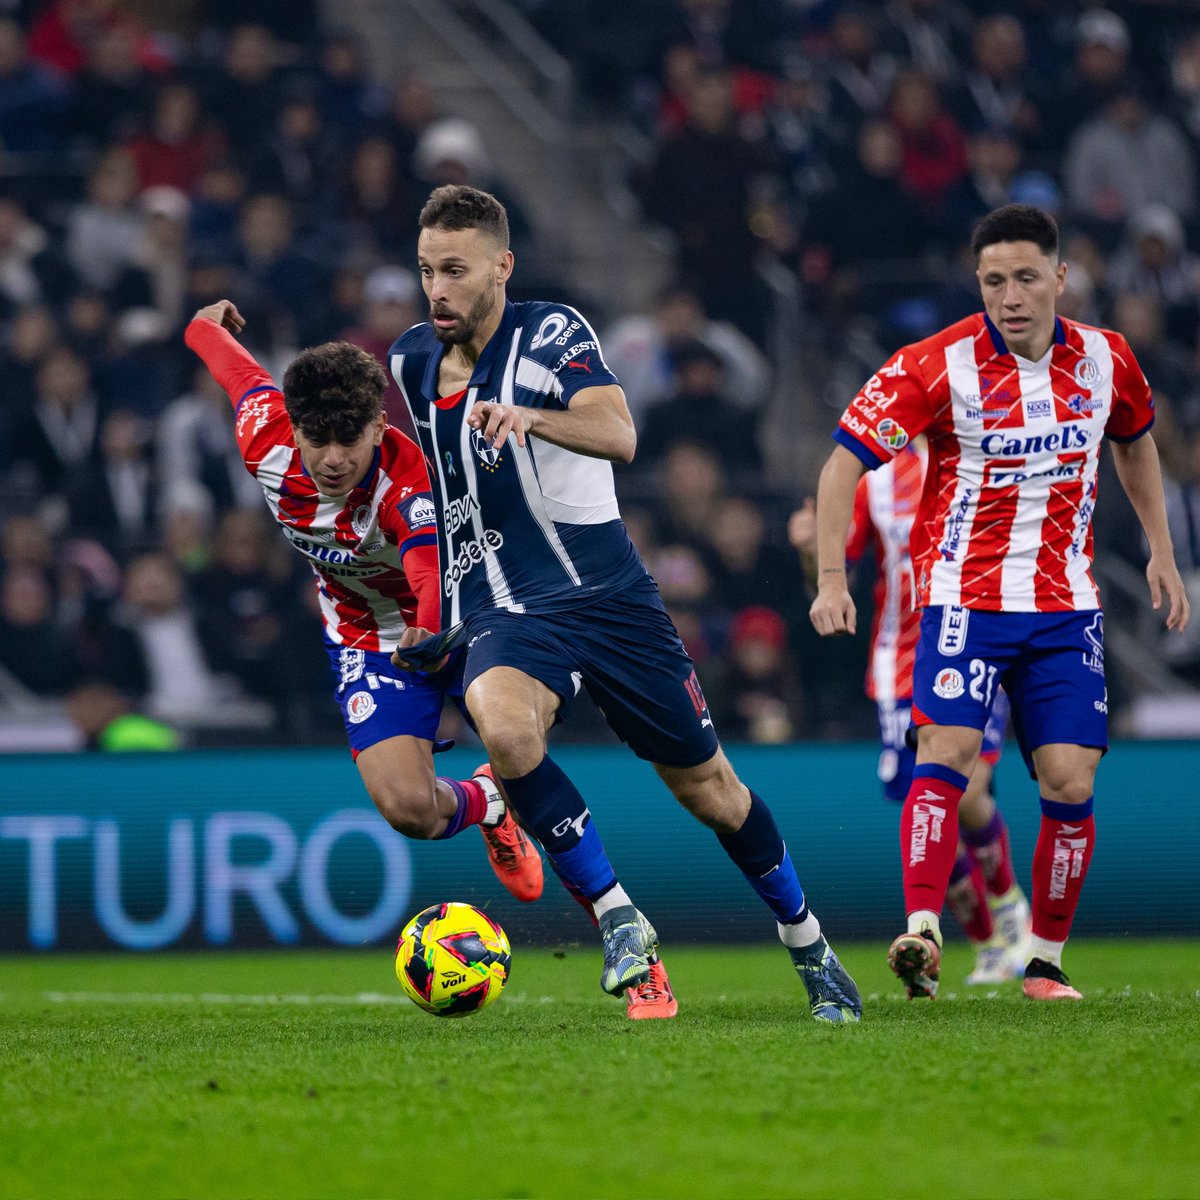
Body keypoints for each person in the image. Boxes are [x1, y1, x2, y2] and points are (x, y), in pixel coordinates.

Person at [388, 183, 861, 1023]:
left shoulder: (551, 332)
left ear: (501, 266)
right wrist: (429, 605)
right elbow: (429, 486)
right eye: (426, 271)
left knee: (712, 790)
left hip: (612, 600)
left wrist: (529, 417)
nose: (437, 290)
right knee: (502, 727)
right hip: (508, 610)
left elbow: (620, 433)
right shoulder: (411, 362)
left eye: (454, 270)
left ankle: (808, 942)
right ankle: (620, 921)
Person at [810, 203, 1189, 1001]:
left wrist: (1161, 549)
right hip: (961, 601)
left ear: (1059, 278)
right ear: (976, 283)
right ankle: (923, 929)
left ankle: (1044, 963)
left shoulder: (1106, 359)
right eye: (992, 281)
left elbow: (1136, 441)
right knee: (944, 758)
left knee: (1070, 780)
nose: (1009, 296)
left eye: (1024, 278)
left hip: (1064, 609)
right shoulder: (933, 364)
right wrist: (833, 580)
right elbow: (843, 461)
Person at [182, 298, 544, 908]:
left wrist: (427, 633)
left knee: (528, 733)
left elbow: (429, 572)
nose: (332, 458)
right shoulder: (263, 437)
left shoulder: (405, 484)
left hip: (460, 614)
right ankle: (488, 804)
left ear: (377, 425)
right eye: (315, 439)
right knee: (410, 811)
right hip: (364, 632)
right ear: (291, 425)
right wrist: (203, 321)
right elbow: (231, 367)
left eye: (348, 439)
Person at [791, 441, 1032, 986]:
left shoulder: (986, 454)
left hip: (977, 643)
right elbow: (835, 568)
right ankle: (984, 943)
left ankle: (1011, 904)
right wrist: (812, 548)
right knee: (922, 808)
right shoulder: (877, 480)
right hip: (901, 662)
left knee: (964, 789)